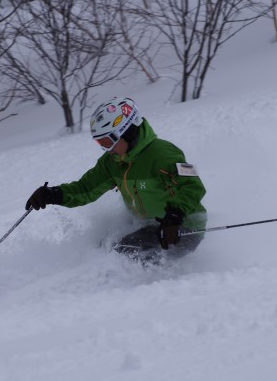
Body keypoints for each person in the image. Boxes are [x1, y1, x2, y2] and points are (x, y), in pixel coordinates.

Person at [25, 96, 207, 262]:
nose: (106, 149)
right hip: (147, 226)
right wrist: (53, 194)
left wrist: (174, 217)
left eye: (108, 142)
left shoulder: (163, 153)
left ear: (128, 131)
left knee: (120, 255)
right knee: (100, 248)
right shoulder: (112, 162)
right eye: (100, 143)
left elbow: (192, 185)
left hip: (180, 228)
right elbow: (85, 188)